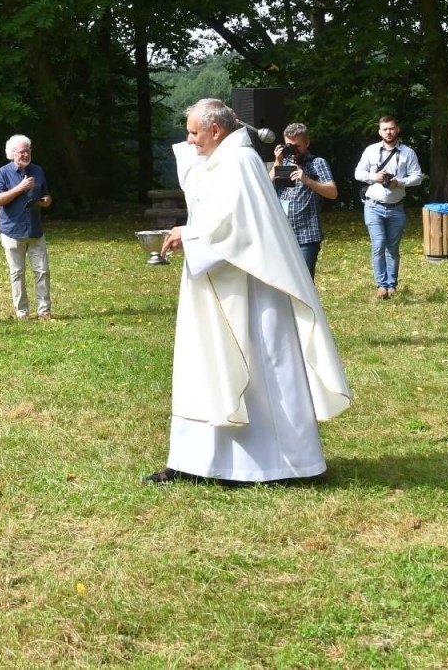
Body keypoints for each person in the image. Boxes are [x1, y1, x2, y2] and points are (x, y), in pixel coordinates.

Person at [150, 99, 351, 484]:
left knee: (260, 371)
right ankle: (199, 462)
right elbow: (199, 189)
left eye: (193, 133)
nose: (189, 140)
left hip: (251, 289)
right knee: (210, 367)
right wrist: (190, 233)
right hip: (218, 283)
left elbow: (237, 227)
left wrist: (188, 235)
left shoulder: (241, 162)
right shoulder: (224, 159)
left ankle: (284, 465)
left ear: (216, 131)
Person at [353, 116, 424, 299]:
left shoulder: (408, 152)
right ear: (380, 132)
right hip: (373, 205)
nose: (388, 132)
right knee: (378, 245)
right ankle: (381, 285)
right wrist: (374, 177)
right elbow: (358, 173)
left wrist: (398, 182)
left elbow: (417, 177)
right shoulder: (371, 150)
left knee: (392, 248)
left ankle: (392, 285)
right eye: (385, 129)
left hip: (396, 208)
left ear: (397, 129)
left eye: (391, 128)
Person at [0, 134, 52, 319]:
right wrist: (20, 188)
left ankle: (44, 311)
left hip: (35, 230)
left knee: (42, 271)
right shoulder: (2, 173)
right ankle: (22, 312)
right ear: (12, 154)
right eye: (22, 152)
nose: (26, 154)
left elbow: (47, 196)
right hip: (12, 231)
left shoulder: (38, 170)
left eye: (28, 151)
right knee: (17, 273)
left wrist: (46, 201)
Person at [269, 123, 338, 277]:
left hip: (307, 235)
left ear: (307, 143)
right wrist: (277, 162)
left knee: (305, 280)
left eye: (297, 146)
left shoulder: (317, 163)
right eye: (289, 146)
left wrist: (306, 180)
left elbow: (333, 193)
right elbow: (265, 187)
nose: (293, 150)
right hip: (283, 232)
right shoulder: (283, 161)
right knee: (283, 279)